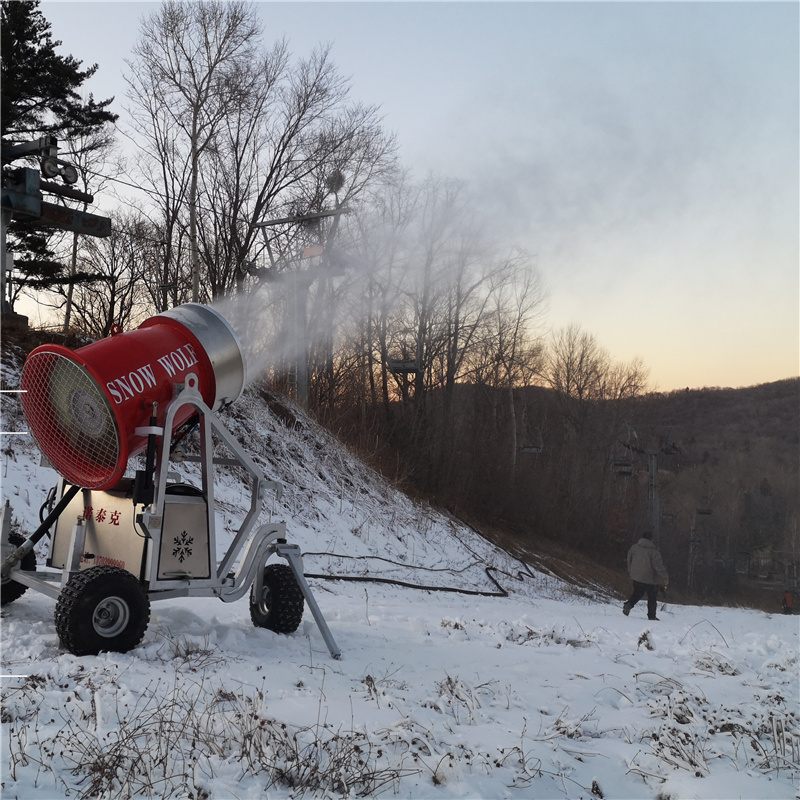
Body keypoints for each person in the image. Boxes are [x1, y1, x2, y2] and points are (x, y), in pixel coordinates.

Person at [623, 531, 668, 621]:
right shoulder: (654, 552)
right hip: (650, 579)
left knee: (638, 593)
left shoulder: (634, 547)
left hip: (636, 577)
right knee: (652, 597)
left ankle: (628, 605)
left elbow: (629, 560)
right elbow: (658, 566)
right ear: (651, 539)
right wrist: (665, 577)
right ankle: (651, 616)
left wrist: (631, 571)